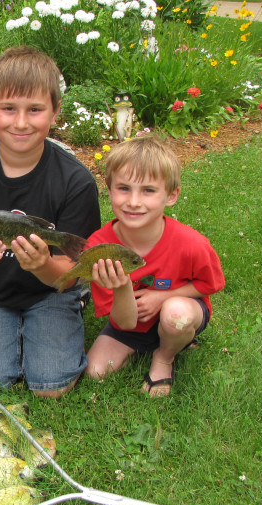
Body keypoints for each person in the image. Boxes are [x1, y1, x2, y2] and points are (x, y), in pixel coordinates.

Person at [0, 46, 101, 398]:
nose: (20, 122)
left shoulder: (76, 182)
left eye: (35, 109)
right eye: (8, 108)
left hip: (50, 290)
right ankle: (11, 330)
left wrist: (43, 264)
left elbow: (70, 270)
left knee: (50, 385)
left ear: (55, 112)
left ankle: (70, 309)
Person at [84, 136, 225, 397]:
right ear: (109, 189)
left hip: (178, 311)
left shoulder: (191, 243)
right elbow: (124, 323)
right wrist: (123, 285)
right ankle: (149, 344)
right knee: (95, 371)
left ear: (171, 195)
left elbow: (211, 284)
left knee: (176, 315)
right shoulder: (100, 247)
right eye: (124, 188)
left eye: (148, 190)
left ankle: (164, 356)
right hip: (129, 322)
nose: (134, 202)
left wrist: (164, 297)